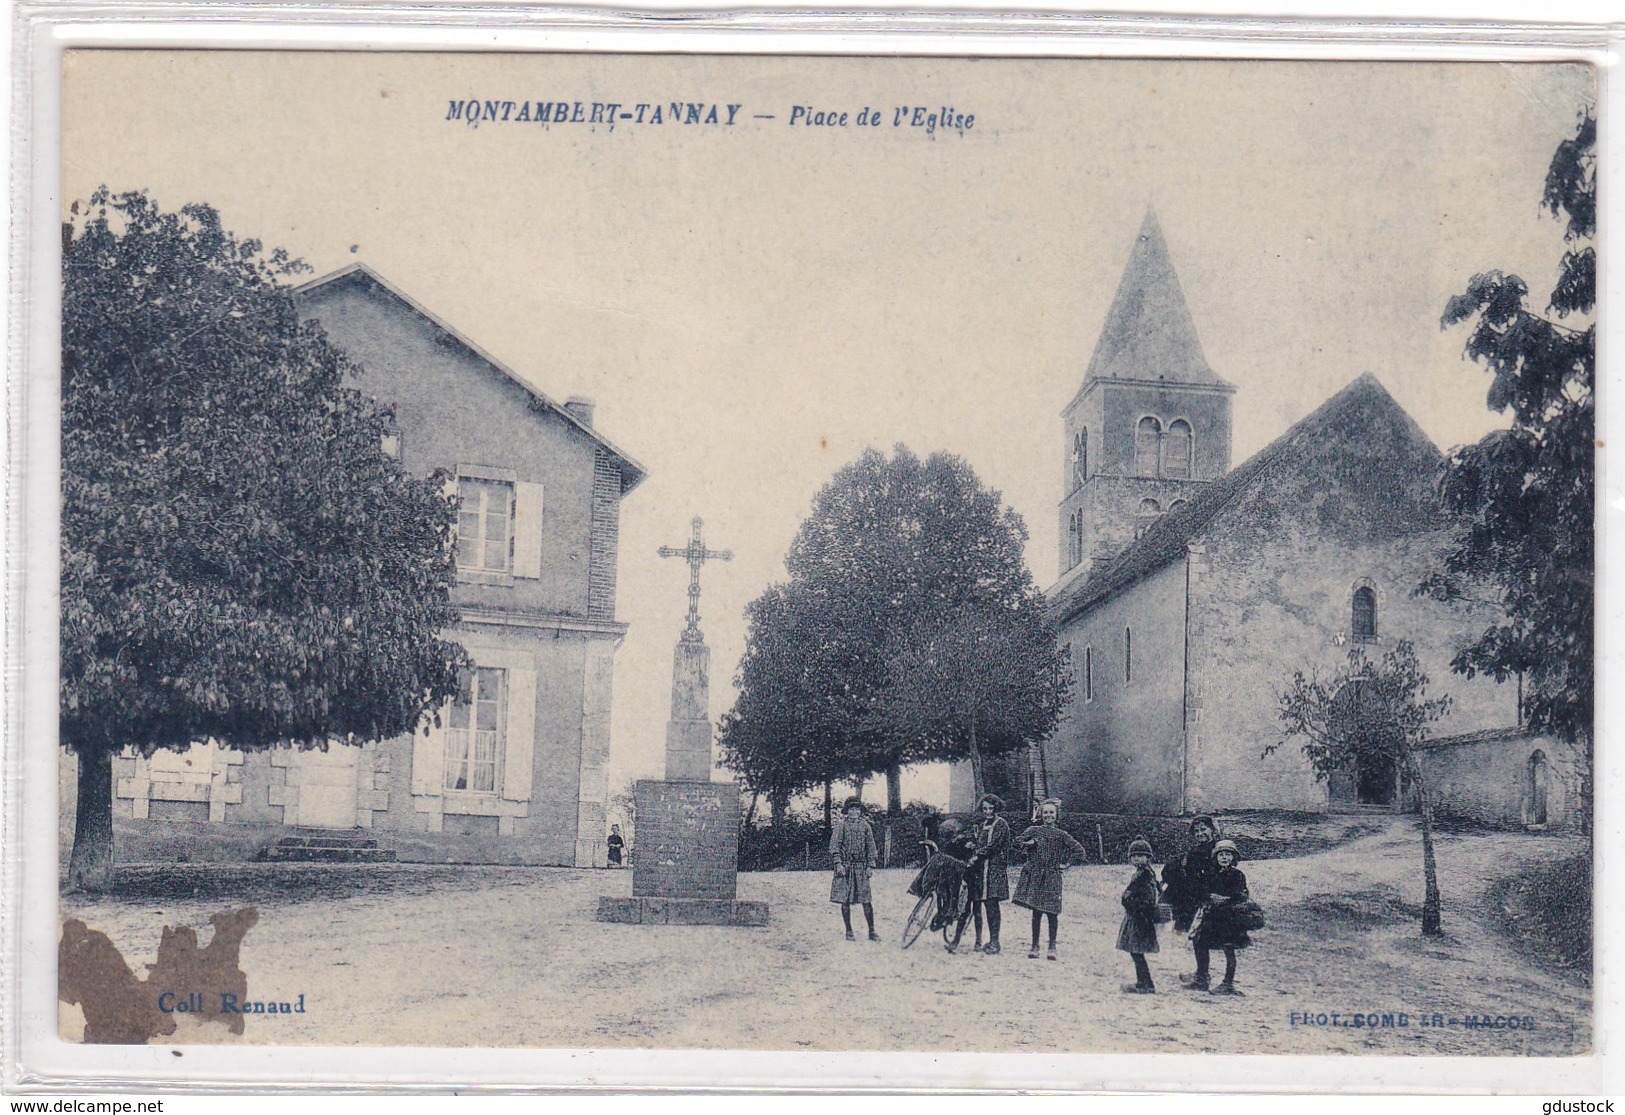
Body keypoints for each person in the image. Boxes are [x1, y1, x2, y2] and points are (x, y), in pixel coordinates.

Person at [1012, 798, 1088, 960]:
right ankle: (1035, 945)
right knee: (1036, 912)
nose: (1048, 815)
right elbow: (1015, 842)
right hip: (1036, 876)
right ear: (1040, 814)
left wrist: (1066, 864)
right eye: (1045, 812)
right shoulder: (1033, 830)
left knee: (1052, 913)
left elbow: (1079, 851)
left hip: (1053, 876)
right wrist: (1029, 843)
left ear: (1056, 815)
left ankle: (1052, 946)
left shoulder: (1062, 835)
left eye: (1051, 812)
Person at [1187, 838, 1256, 994]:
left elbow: (1242, 895)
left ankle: (1228, 983)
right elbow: (1201, 891)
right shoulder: (1210, 874)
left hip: (1229, 919)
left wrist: (1226, 899)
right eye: (1221, 855)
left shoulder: (1238, 875)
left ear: (1234, 857)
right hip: (1211, 917)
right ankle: (1202, 978)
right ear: (1215, 857)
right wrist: (1208, 897)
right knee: (1199, 942)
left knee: (1228, 948)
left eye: (1228, 854)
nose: (1224, 858)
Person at [1163, 814, 1220, 982]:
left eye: (1204, 829)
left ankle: (1204, 976)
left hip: (1208, 898)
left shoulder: (1217, 850)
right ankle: (1201, 974)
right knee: (1197, 937)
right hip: (1196, 897)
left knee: (1201, 937)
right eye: (1196, 831)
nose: (1200, 833)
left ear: (1213, 830)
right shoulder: (1196, 851)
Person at [959, 793, 1012, 955]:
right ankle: (989, 941)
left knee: (992, 904)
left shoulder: (1001, 824)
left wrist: (977, 854)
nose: (988, 811)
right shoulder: (983, 824)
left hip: (995, 868)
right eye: (985, 809)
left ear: (996, 808)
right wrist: (971, 844)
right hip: (982, 869)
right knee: (983, 902)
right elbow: (980, 843)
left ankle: (995, 941)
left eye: (991, 808)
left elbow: (994, 846)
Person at [830, 797, 880, 942]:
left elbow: (871, 847)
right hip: (845, 867)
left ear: (860, 811)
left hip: (861, 867)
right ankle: (849, 930)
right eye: (851, 809)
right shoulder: (841, 826)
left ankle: (872, 931)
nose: (854, 812)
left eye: (857, 809)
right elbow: (834, 847)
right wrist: (838, 864)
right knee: (845, 899)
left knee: (866, 899)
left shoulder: (865, 826)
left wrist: (870, 866)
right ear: (847, 811)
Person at [1117, 836, 1161, 993]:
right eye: (1134, 856)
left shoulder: (1145, 876)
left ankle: (1145, 984)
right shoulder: (1141, 874)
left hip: (1140, 918)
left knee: (1137, 951)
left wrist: (1128, 901)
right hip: (1136, 917)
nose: (1137, 859)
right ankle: (1143, 982)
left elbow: (1147, 899)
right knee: (1135, 951)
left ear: (1148, 858)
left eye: (1141, 856)